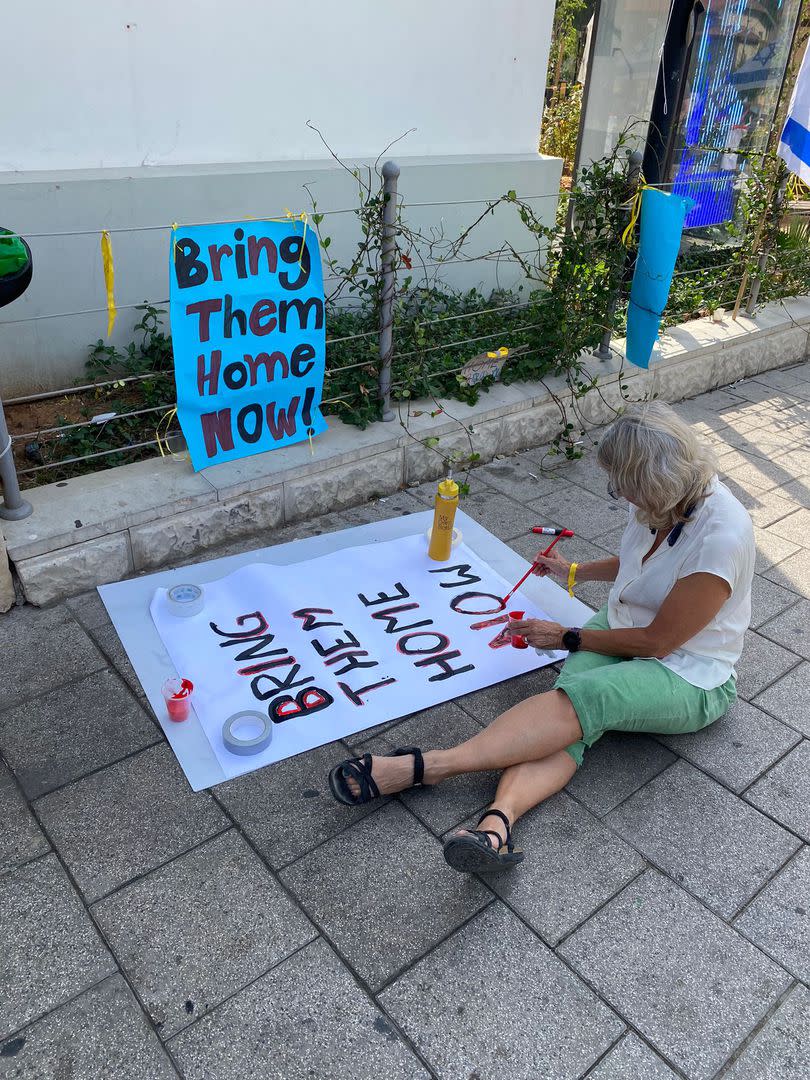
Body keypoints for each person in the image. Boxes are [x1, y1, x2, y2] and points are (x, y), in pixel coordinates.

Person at [327, 402, 755, 874]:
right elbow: (645, 563)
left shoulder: (721, 537)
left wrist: (567, 636)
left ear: (656, 480)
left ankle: (423, 767)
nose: (619, 495)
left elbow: (658, 642)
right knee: (569, 718)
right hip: (621, 625)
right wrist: (575, 571)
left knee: (583, 702)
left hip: (691, 671)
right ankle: (497, 825)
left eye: (623, 484)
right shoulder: (663, 500)